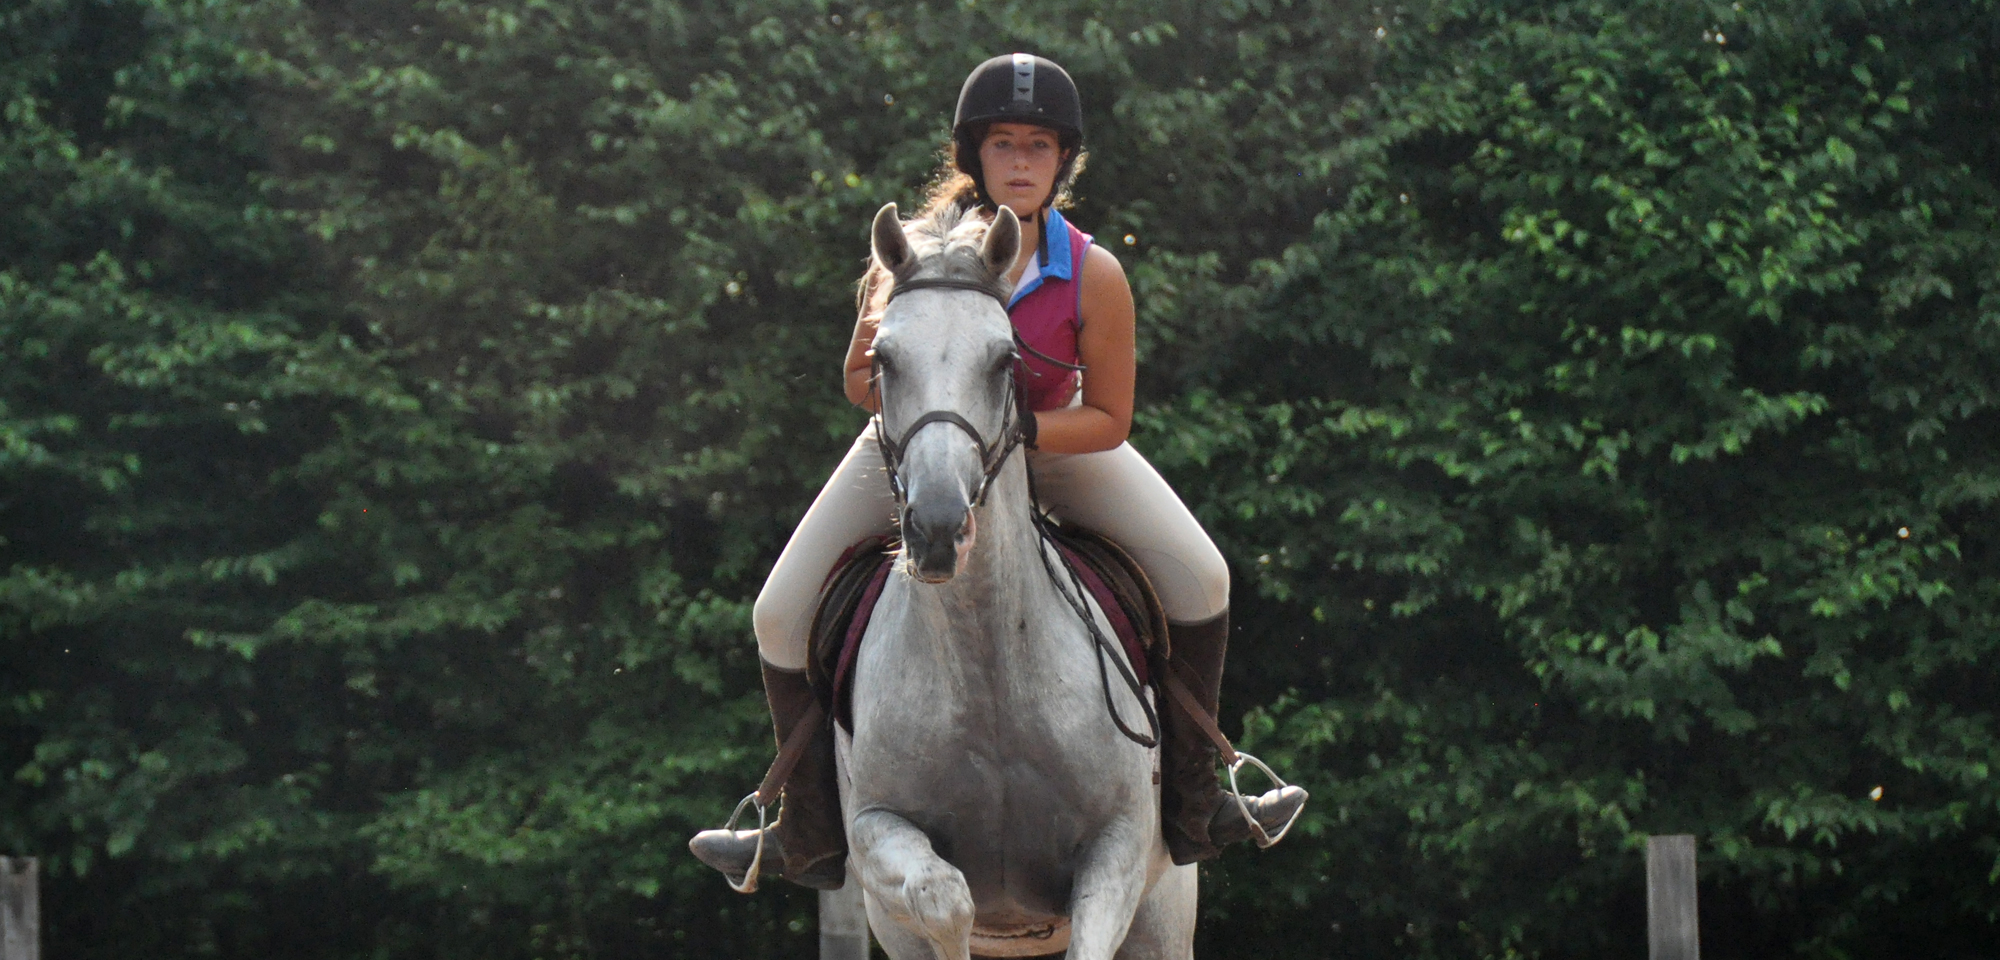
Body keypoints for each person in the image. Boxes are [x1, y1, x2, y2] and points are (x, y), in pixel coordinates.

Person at [690, 53, 1306, 890]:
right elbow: (858, 382)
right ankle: (800, 826)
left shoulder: (1093, 272)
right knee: (775, 612)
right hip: (918, 455)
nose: (1021, 161)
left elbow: (1111, 419)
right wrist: (937, 429)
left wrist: (1009, 439)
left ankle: (1203, 796)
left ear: (1063, 161)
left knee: (1203, 575)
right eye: (1004, 143)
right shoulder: (908, 252)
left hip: (1054, 449)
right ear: (973, 155)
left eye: (1040, 146)